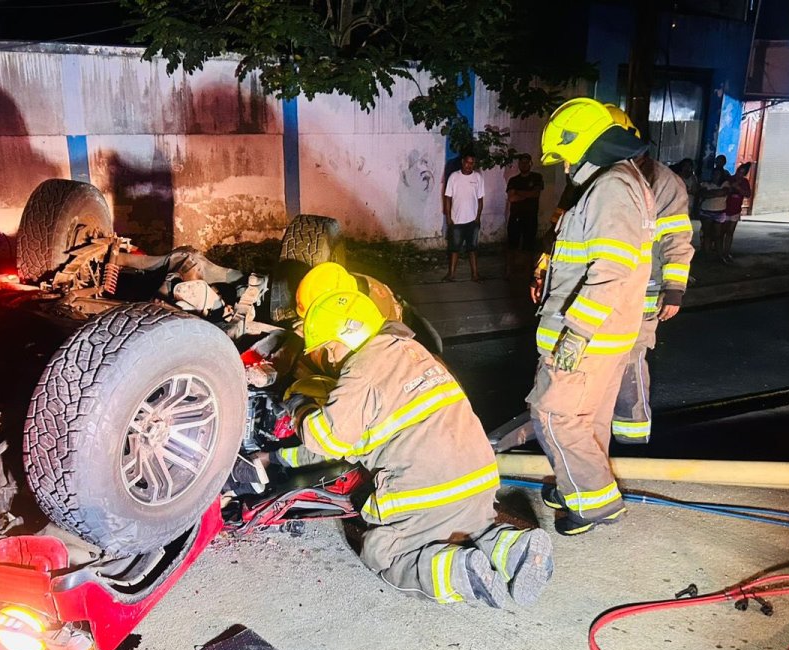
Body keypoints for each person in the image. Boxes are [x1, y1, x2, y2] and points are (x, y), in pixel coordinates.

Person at [277, 290, 553, 607]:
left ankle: (455, 573)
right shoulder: (413, 350)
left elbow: (327, 440)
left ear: (347, 335)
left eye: (330, 347)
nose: (331, 357)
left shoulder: (361, 369)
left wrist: (299, 409)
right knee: (471, 525)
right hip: (480, 477)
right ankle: (513, 548)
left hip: (430, 490)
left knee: (382, 553)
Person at [529, 97, 654, 535]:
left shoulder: (610, 189)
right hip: (609, 335)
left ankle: (594, 502)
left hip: (588, 337)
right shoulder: (624, 182)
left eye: (568, 157)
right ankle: (577, 489)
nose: (566, 168)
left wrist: (577, 332)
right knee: (589, 419)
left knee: (554, 415)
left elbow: (611, 269)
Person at [602, 105, 694, 447]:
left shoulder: (661, 181)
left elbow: (676, 238)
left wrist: (674, 288)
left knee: (630, 357)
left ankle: (632, 435)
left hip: (643, 289)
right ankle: (599, 427)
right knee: (601, 359)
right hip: (605, 286)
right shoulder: (604, 176)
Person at [443, 153, 484, 282]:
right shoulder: (454, 177)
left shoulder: (478, 177)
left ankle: (475, 274)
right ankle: (451, 274)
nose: (469, 165)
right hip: (457, 220)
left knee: (473, 248)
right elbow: (448, 198)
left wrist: (478, 217)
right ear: (462, 162)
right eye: (467, 162)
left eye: (472, 163)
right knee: (454, 249)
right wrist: (448, 217)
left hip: (472, 220)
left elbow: (480, 199)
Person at [504, 153, 544, 278]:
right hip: (515, 217)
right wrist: (528, 194)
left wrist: (518, 193)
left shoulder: (537, 177)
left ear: (530, 164)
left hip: (530, 216)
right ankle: (509, 271)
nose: (524, 165)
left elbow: (535, 194)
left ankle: (527, 272)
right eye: (522, 162)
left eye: (526, 162)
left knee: (529, 246)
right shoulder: (513, 180)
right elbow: (511, 198)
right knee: (512, 245)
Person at [721, 162, 752, 263]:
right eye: (739, 172)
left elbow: (748, 194)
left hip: (736, 210)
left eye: (742, 173)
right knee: (722, 232)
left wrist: (738, 188)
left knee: (730, 232)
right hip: (725, 208)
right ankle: (719, 252)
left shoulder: (745, 182)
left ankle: (726, 252)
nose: (739, 174)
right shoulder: (730, 179)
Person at [697, 167, 730, 257]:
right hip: (706, 211)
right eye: (714, 174)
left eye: (718, 174)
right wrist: (716, 193)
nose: (716, 176)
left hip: (719, 212)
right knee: (707, 234)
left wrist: (711, 193)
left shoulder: (725, 184)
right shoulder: (706, 183)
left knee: (718, 235)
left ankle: (719, 255)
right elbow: (704, 194)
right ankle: (707, 254)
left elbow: (723, 192)